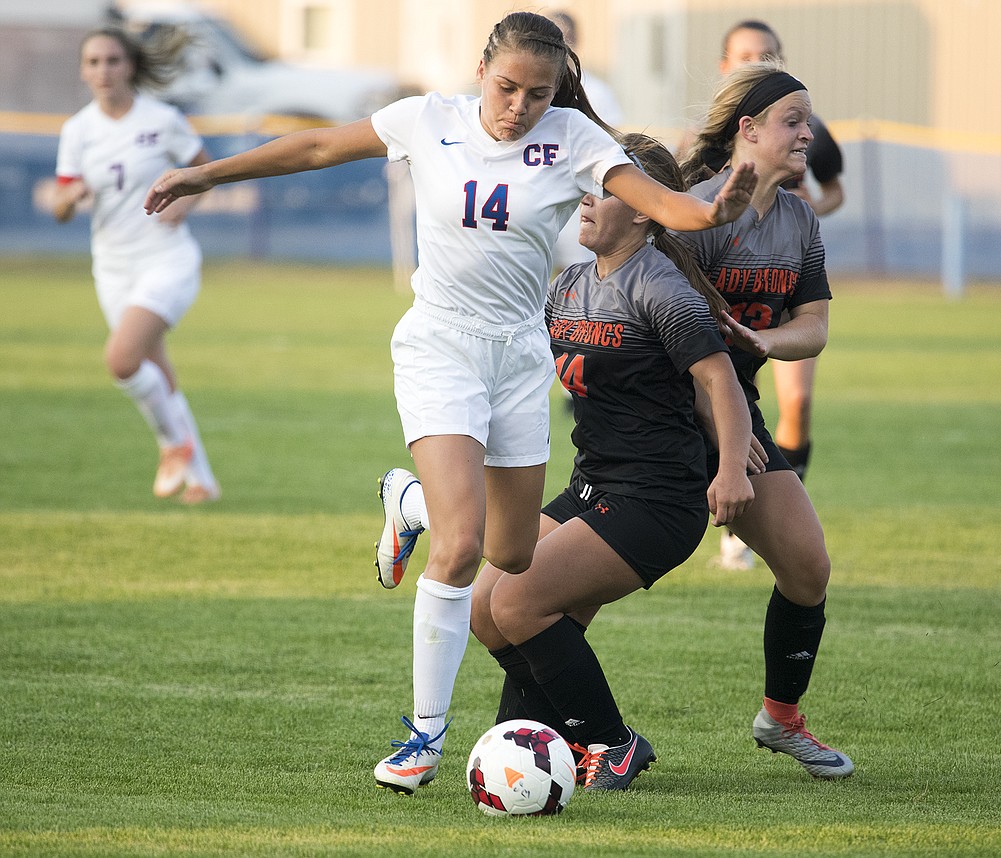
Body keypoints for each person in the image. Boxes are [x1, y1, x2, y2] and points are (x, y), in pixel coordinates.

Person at [144, 12, 757, 795]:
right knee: (464, 548)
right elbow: (317, 146)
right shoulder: (425, 120)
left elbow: (665, 207)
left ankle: (412, 506)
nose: (519, 107)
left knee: (512, 555)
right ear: (480, 70)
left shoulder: (572, 137)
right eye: (507, 88)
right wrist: (205, 175)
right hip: (440, 344)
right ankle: (421, 739)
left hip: (517, 359)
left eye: (537, 94)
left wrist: (714, 210)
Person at [466, 131, 756, 790]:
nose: (587, 201)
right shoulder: (567, 285)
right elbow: (517, 366)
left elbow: (720, 385)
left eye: (606, 190)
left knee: (517, 604)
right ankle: (545, 741)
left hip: (656, 501)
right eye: (588, 187)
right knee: (486, 608)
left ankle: (611, 742)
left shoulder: (660, 289)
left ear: (646, 209)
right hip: (592, 488)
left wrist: (733, 466)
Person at [674, 62, 854, 779]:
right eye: (793, 120)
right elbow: (666, 348)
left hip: (733, 417)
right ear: (747, 131)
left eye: (807, 120)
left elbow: (812, 326)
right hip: (656, 418)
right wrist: (724, 437)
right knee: (573, 584)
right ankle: (556, 723)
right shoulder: (695, 212)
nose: (809, 132)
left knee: (808, 568)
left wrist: (764, 344)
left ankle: (781, 718)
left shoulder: (799, 219)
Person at [52, 26, 219, 504]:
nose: (103, 70)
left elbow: (205, 174)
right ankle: (202, 481)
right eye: (93, 62)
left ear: (130, 66)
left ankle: (172, 446)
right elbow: (62, 208)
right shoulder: (77, 131)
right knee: (154, 368)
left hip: (167, 260)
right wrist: (70, 197)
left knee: (122, 360)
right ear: (83, 71)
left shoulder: (162, 119)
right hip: (112, 267)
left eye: (112, 60)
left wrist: (183, 206)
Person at [715, 19, 846, 567]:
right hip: (698, 349)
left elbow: (834, 189)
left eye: (767, 55)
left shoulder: (804, 135)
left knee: (797, 401)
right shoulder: (701, 184)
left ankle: (762, 514)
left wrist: (805, 215)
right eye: (746, 55)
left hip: (778, 294)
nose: (757, 62)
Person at [548, 9, 625, 272]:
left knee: (573, 273)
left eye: (565, 38)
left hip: (579, 195)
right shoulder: (531, 89)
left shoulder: (597, 92)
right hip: (539, 191)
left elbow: (613, 145)